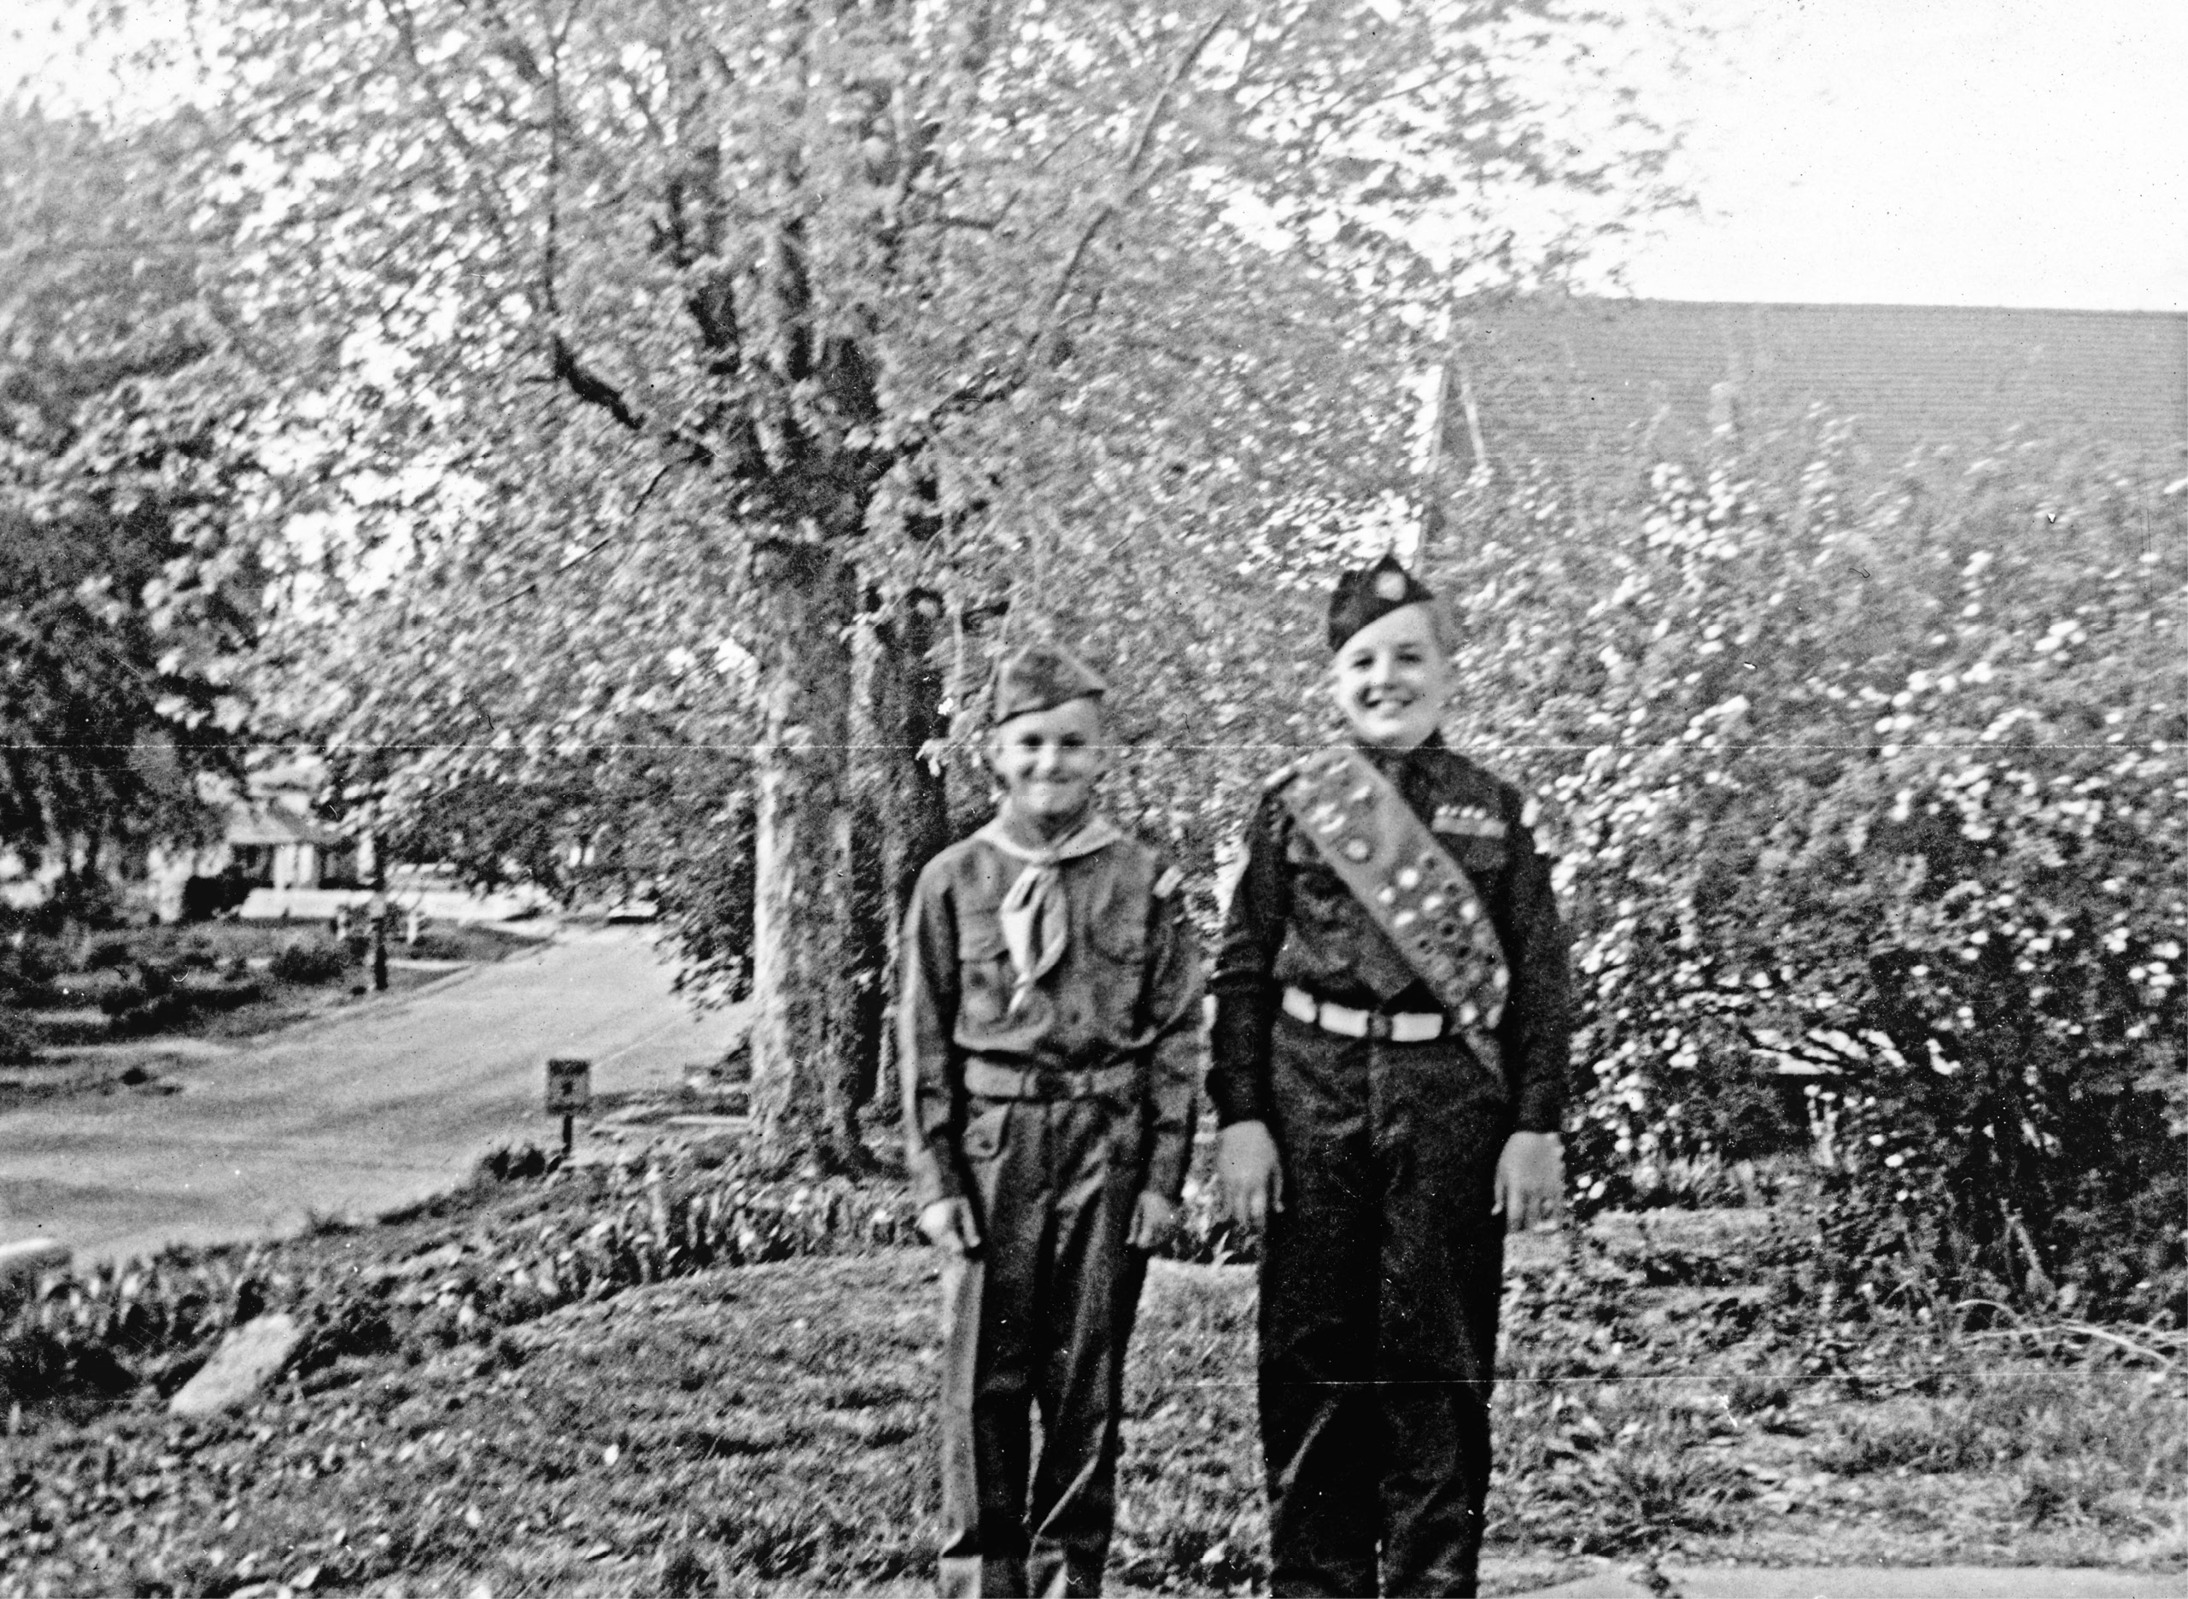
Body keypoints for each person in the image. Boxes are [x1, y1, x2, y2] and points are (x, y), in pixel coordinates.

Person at [1208, 553, 1574, 1597]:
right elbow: (1240, 969)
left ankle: (1429, 1587)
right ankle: (1315, 1587)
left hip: (1449, 1099)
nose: (1386, 680)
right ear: (1334, 679)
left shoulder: (1495, 810)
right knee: (1311, 1357)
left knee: (1437, 1363)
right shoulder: (1291, 805)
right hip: (1309, 1090)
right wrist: (1240, 1117)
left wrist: (1533, 1125)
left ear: (1447, 673)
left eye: (1408, 657)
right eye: (1363, 661)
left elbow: (1541, 983)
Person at [899, 641, 1204, 1599]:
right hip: (994, 1149)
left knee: (1085, 1385)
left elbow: (1175, 1037)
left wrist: (1161, 1177)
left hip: (1103, 1152)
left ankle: (1071, 1579)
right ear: (994, 752)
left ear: (1103, 752)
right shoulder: (951, 882)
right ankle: (982, 1582)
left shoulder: (1145, 881)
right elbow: (923, 1041)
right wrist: (935, 1179)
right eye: (1030, 743)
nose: (1051, 762)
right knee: (984, 1384)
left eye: (1073, 743)